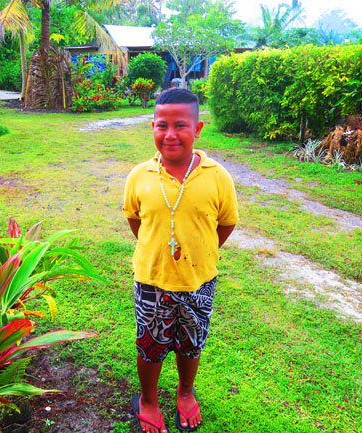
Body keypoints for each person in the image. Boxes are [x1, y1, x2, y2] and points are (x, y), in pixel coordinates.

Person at [123, 88, 238, 433]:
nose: (170, 134)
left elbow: (226, 223)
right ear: (153, 126)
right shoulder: (139, 176)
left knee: (192, 342)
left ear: (198, 128)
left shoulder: (217, 176)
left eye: (180, 125)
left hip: (199, 281)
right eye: (162, 125)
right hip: (151, 281)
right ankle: (148, 400)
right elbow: (136, 222)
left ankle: (185, 393)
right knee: (150, 344)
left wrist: (199, 255)